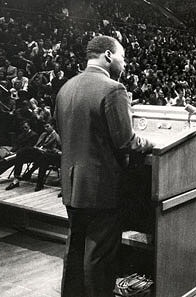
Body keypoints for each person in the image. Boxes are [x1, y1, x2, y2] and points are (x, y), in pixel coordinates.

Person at [56, 35, 154, 297]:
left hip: (72, 185)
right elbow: (127, 141)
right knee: (99, 256)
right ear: (109, 56)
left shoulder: (66, 87)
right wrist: (149, 141)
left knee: (76, 249)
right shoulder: (113, 89)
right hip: (101, 190)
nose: (125, 62)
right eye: (123, 56)